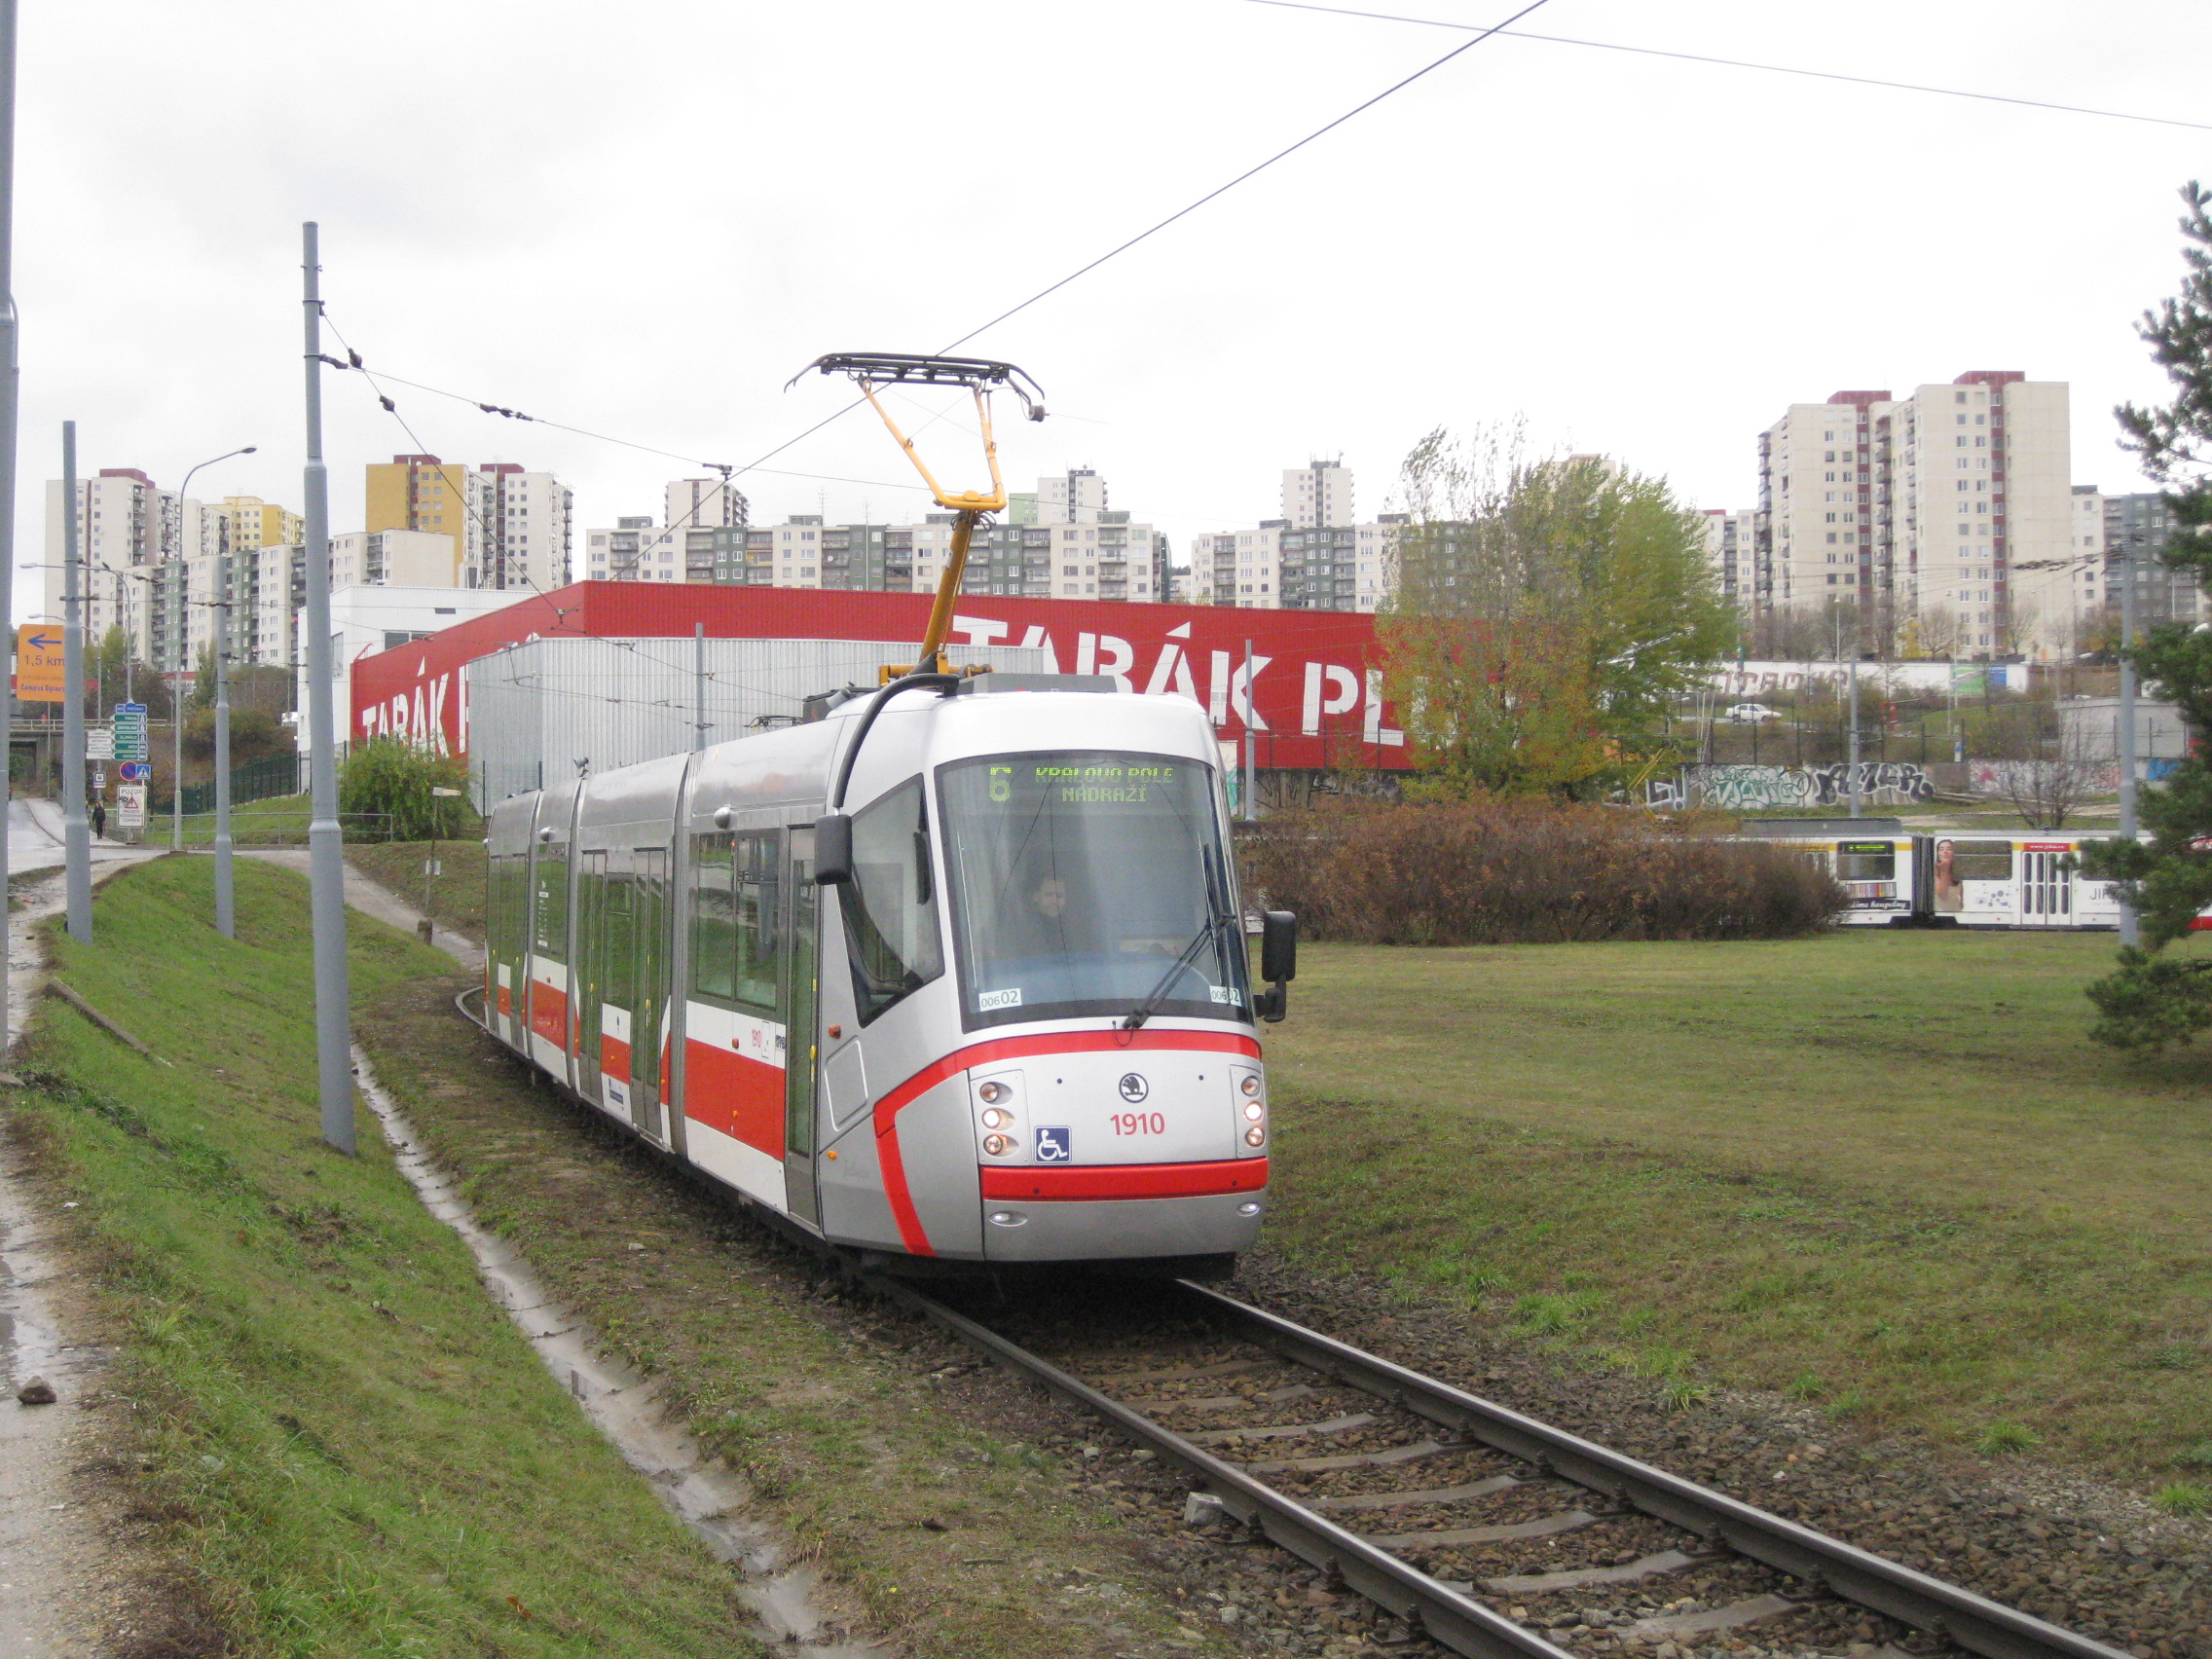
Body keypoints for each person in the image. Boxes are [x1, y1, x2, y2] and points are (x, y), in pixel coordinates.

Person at [1932, 838, 1962, 913]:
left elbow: (1961, 890)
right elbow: (1943, 896)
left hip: (1957, 913)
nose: (1945, 852)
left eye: (1949, 849)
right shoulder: (1934, 871)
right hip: (1941, 914)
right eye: (1941, 849)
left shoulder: (1958, 870)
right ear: (1938, 854)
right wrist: (1944, 871)